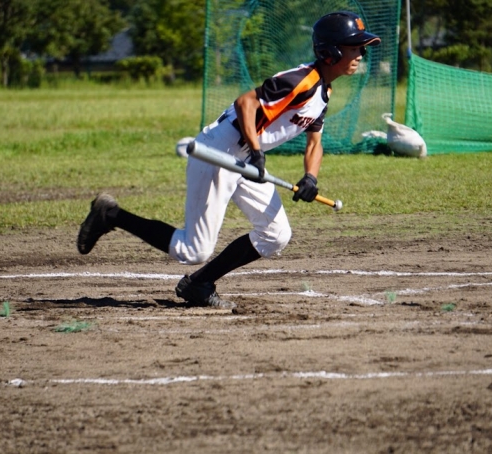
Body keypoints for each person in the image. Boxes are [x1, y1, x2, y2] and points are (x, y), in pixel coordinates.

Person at [77, 11, 380, 309]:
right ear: (331, 51)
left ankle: (199, 284)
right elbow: (246, 103)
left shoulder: (323, 92)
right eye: (354, 47)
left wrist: (310, 177)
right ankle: (111, 215)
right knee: (193, 249)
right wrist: (257, 151)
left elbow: (315, 143)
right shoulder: (301, 81)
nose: (360, 55)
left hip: (244, 156)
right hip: (221, 151)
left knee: (275, 234)